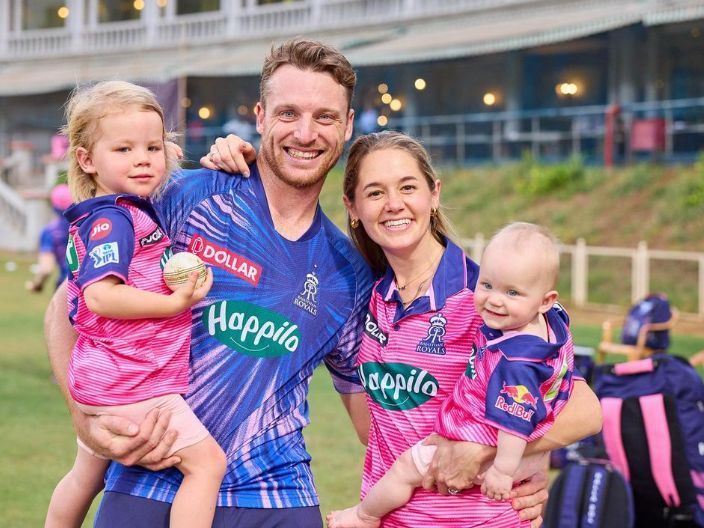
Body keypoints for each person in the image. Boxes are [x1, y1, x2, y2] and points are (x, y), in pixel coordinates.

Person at [45, 40, 595, 528]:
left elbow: (383, 416)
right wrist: (85, 420)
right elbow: (68, 304)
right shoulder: (184, 197)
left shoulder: (354, 275)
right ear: (260, 116)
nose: (306, 133)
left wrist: (510, 455)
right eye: (289, 112)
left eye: (324, 117)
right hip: (151, 473)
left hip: (276, 492)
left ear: (347, 124)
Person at [206, 127, 601, 527]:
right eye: (375, 193)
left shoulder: (491, 299)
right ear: (353, 208)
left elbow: (586, 413)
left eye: (408, 187)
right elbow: (371, 427)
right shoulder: (364, 296)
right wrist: (242, 166)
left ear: (434, 195)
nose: (394, 204)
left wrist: (484, 453)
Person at [44, 81, 224, 528]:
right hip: (131, 384)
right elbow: (100, 296)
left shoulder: (126, 208)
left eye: (152, 146)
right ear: (86, 159)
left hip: (104, 378)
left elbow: (166, 163)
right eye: (123, 149)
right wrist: (177, 302)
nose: (142, 158)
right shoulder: (112, 220)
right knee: (206, 466)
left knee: (87, 474)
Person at [327, 219, 575, 528]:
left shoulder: (517, 359)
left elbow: (517, 418)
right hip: (494, 454)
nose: (495, 300)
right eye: (487, 286)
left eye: (512, 292)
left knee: (405, 469)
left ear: (546, 300)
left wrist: (501, 466)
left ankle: (364, 515)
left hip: (475, 444)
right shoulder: (546, 327)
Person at [26, 183, 72, 293]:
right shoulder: (87, 223)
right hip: (93, 285)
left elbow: (46, 268)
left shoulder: (49, 231)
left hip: (66, 288)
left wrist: (37, 284)